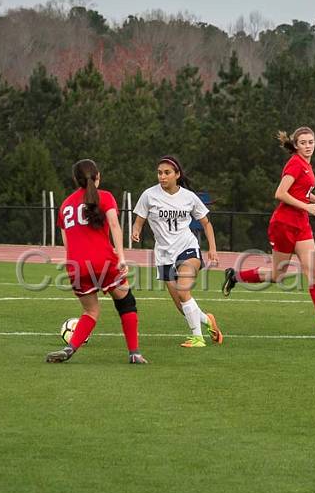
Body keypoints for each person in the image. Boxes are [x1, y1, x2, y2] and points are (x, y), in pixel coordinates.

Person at [221, 126, 315, 335]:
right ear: (296, 146)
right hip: (284, 224)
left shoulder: (306, 164)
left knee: (313, 271)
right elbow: (280, 193)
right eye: (303, 143)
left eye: (311, 142)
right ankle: (235, 276)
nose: (308, 146)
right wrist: (306, 206)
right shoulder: (295, 164)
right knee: (278, 275)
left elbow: (303, 191)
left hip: (301, 225)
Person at [46, 159, 147, 364]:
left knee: (90, 311)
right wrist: (121, 257)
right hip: (104, 262)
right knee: (126, 303)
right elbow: (115, 226)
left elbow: (67, 243)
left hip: (76, 267)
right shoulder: (105, 197)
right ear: (98, 176)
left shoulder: (65, 205)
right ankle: (134, 353)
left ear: (76, 180)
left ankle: (70, 347)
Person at [131, 155, 223, 348]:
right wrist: (136, 231)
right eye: (159, 173)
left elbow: (206, 223)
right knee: (182, 305)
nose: (162, 177)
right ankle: (208, 321)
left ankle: (197, 338)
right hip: (164, 255)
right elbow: (140, 219)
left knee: (183, 289)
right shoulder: (149, 195)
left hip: (187, 248)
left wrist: (212, 248)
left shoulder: (189, 197)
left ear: (177, 175)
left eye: (167, 173)